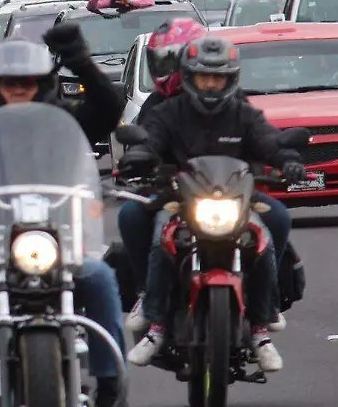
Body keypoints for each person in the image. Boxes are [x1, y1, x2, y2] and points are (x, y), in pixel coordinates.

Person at [0, 32, 127, 407]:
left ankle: (111, 382)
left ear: (43, 83)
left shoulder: (66, 120)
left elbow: (109, 107)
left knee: (101, 276)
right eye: (9, 82)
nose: (19, 88)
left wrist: (79, 59)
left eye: (28, 81)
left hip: (63, 248)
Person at [119, 36, 303, 373]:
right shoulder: (168, 112)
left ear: (231, 80)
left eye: (218, 78)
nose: (211, 85)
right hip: (179, 199)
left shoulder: (244, 114)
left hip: (237, 199)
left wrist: (288, 158)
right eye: (204, 78)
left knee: (267, 232)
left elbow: (269, 141)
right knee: (162, 237)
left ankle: (262, 327)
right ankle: (155, 325)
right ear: (189, 77)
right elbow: (151, 139)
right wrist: (140, 155)